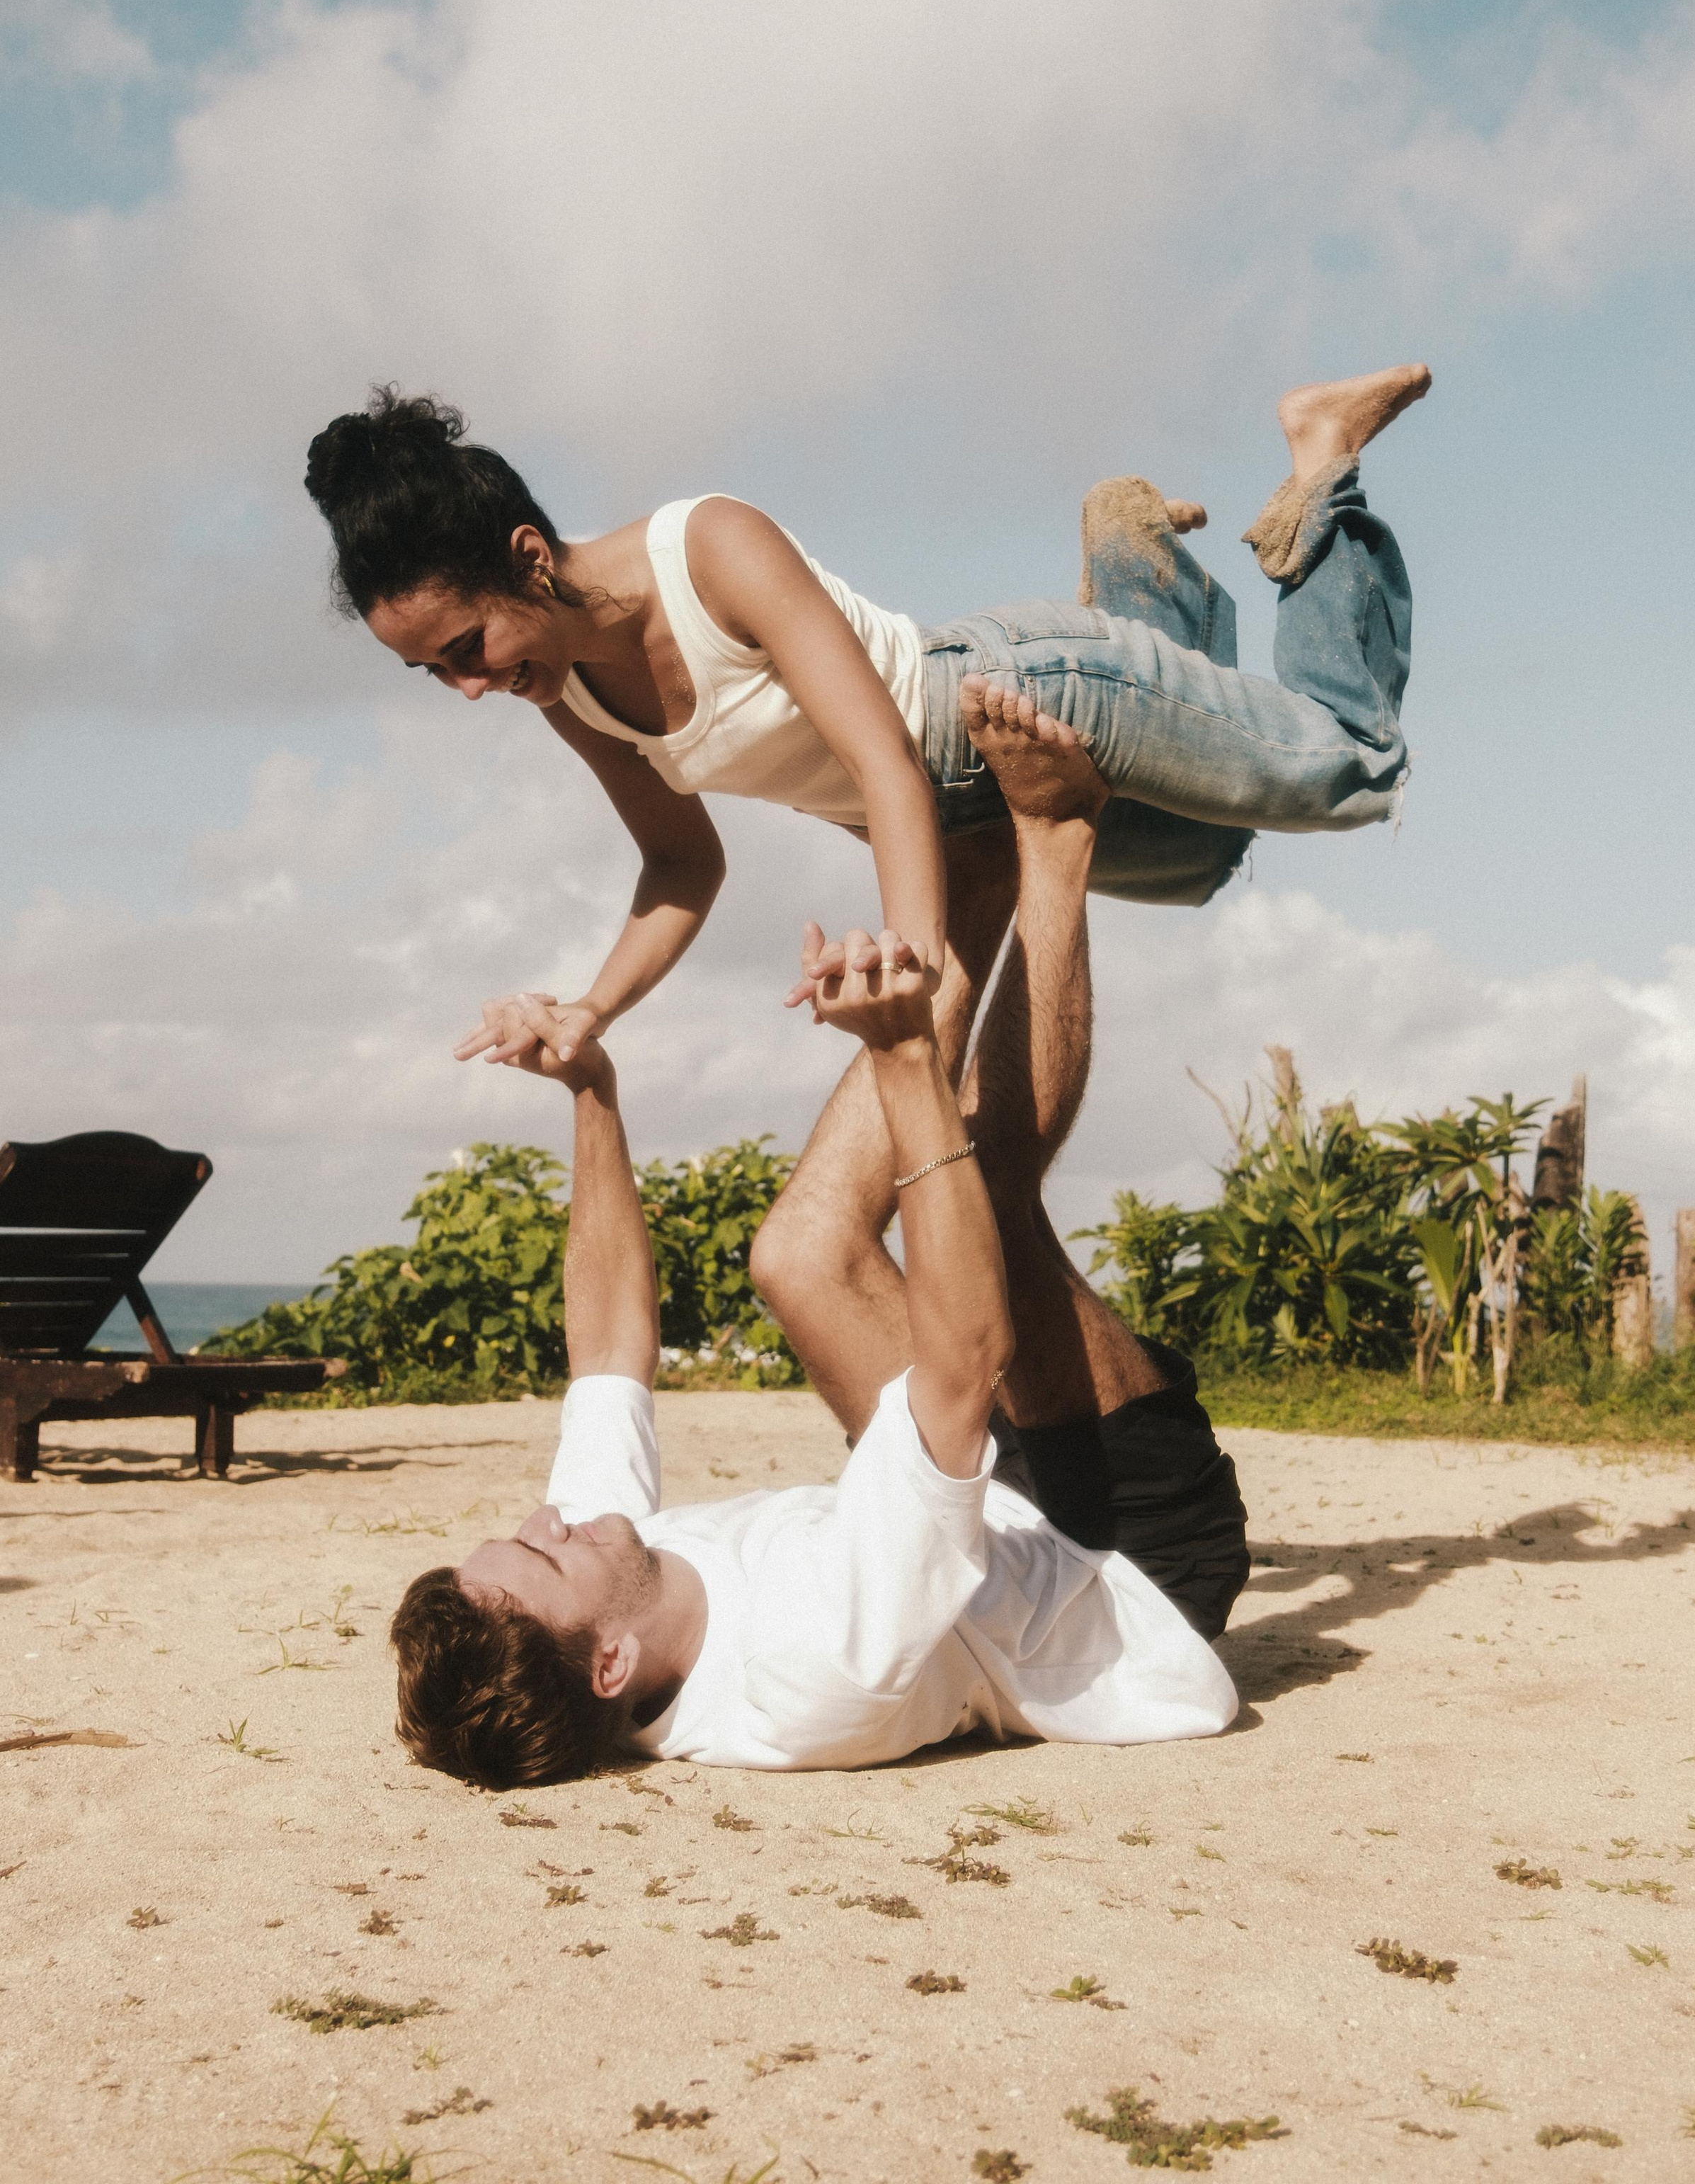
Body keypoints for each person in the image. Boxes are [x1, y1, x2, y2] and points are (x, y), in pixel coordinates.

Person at [390, 700, 1249, 1784]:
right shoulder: (812, 1664)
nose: (542, 1518)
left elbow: (606, 1352)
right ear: (610, 1662)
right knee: (981, 1183)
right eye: (539, 1550)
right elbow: (966, 1357)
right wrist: (902, 1064)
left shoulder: (606, 1576)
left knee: (795, 1254)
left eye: (519, 1532)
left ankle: (967, 886)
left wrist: (591, 1090)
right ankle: (1057, 837)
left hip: (990, 1519)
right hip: (1132, 1565)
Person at [304, 363, 1425, 1074]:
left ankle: (1321, 454)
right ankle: (1135, 559)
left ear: (530, 561)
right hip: (958, 805)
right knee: (1205, 861)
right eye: (431, 674)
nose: (467, 689)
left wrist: (919, 965)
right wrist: (589, 1011)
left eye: (465, 651)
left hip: (1014, 697)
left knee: (1354, 769)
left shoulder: (710, 549)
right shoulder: (568, 685)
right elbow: (680, 866)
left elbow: (883, 761)